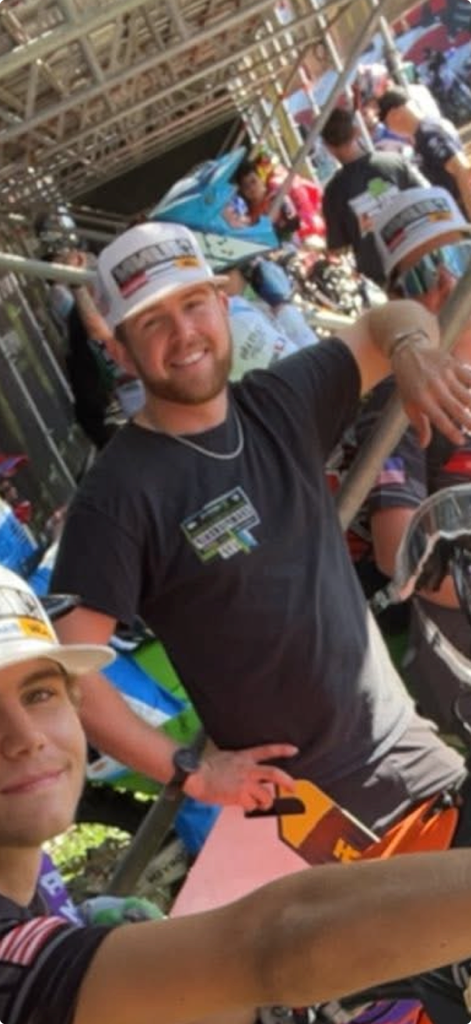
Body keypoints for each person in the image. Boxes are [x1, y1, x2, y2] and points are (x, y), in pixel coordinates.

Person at [49, 218, 471, 825]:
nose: (184, 333)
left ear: (223, 306)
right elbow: (69, 665)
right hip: (306, 808)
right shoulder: (117, 494)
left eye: (193, 304)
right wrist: (191, 772)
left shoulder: (279, 403)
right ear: (119, 351)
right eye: (152, 322)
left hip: (409, 750)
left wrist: (411, 352)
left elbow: (389, 320)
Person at [8, 566, 471, 1024]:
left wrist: (84, 926)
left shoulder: (29, 877)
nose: (26, 737)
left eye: (38, 695)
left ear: (74, 700)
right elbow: (277, 947)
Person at [346, 186, 471, 738]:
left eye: (459, 258)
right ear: (398, 297)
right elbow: (400, 552)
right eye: (423, 273)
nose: (447, 282)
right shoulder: (397, 400)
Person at [320, 106, 428, 285]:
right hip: (421, 254)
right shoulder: (394, 162)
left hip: (383, 277)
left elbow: (338, 247)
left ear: (328, 147)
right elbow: (425, 198)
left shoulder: (333, 193)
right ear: (356, 132)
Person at [377, 88, 471, 222]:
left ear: (394, 114)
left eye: (387, 124)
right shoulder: (426, 129)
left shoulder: (428, 134)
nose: (390, 130)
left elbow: (461, 168)